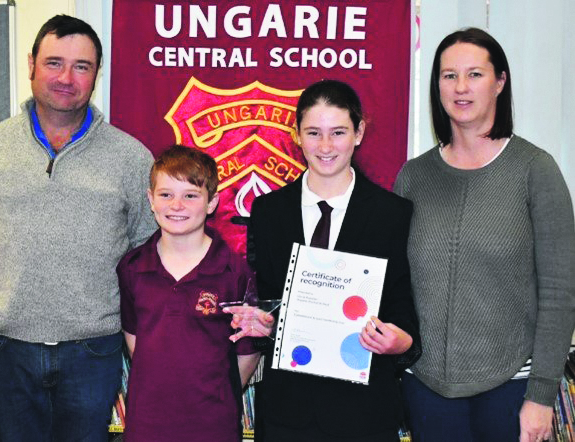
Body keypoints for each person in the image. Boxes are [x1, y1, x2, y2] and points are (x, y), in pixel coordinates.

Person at [0, 15, 156, 441]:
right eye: (54, 63)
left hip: (93, 348)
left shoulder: (131, 157)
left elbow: (144, 247)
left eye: (81, 66)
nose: (66, 77)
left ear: (96, 74)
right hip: (6, 345)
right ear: (31, 65)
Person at [393, 27, 575, 442]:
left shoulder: (535, 169)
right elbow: (394, 282)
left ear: (500, 82)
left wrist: (542, 396)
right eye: (448, 74)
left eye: (474, 74)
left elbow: (560, 292)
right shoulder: (413, 177)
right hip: (426, 390)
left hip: (513, 389)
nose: (460, 87)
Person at [229, 79, 421, 442]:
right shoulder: (269, 211)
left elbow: (403, 308)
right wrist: (262, 322)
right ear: (297, 134)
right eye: (314, 132)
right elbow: (270, 301)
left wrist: (398, 341)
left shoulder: (392, 214)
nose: (326, 146)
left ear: (359, 132)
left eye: (338, 132)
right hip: (289, 411)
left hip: (364, 411)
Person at [116, 145, 261, 441]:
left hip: (212, 425)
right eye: (166, 195)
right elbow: (135, 344)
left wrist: (208, 395)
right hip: (147, 424)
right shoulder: (132, 268)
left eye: (190, 195)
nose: (176, 205)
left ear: (212, 203)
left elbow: (246, 357)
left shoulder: (235, 273)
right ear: (150, 200)